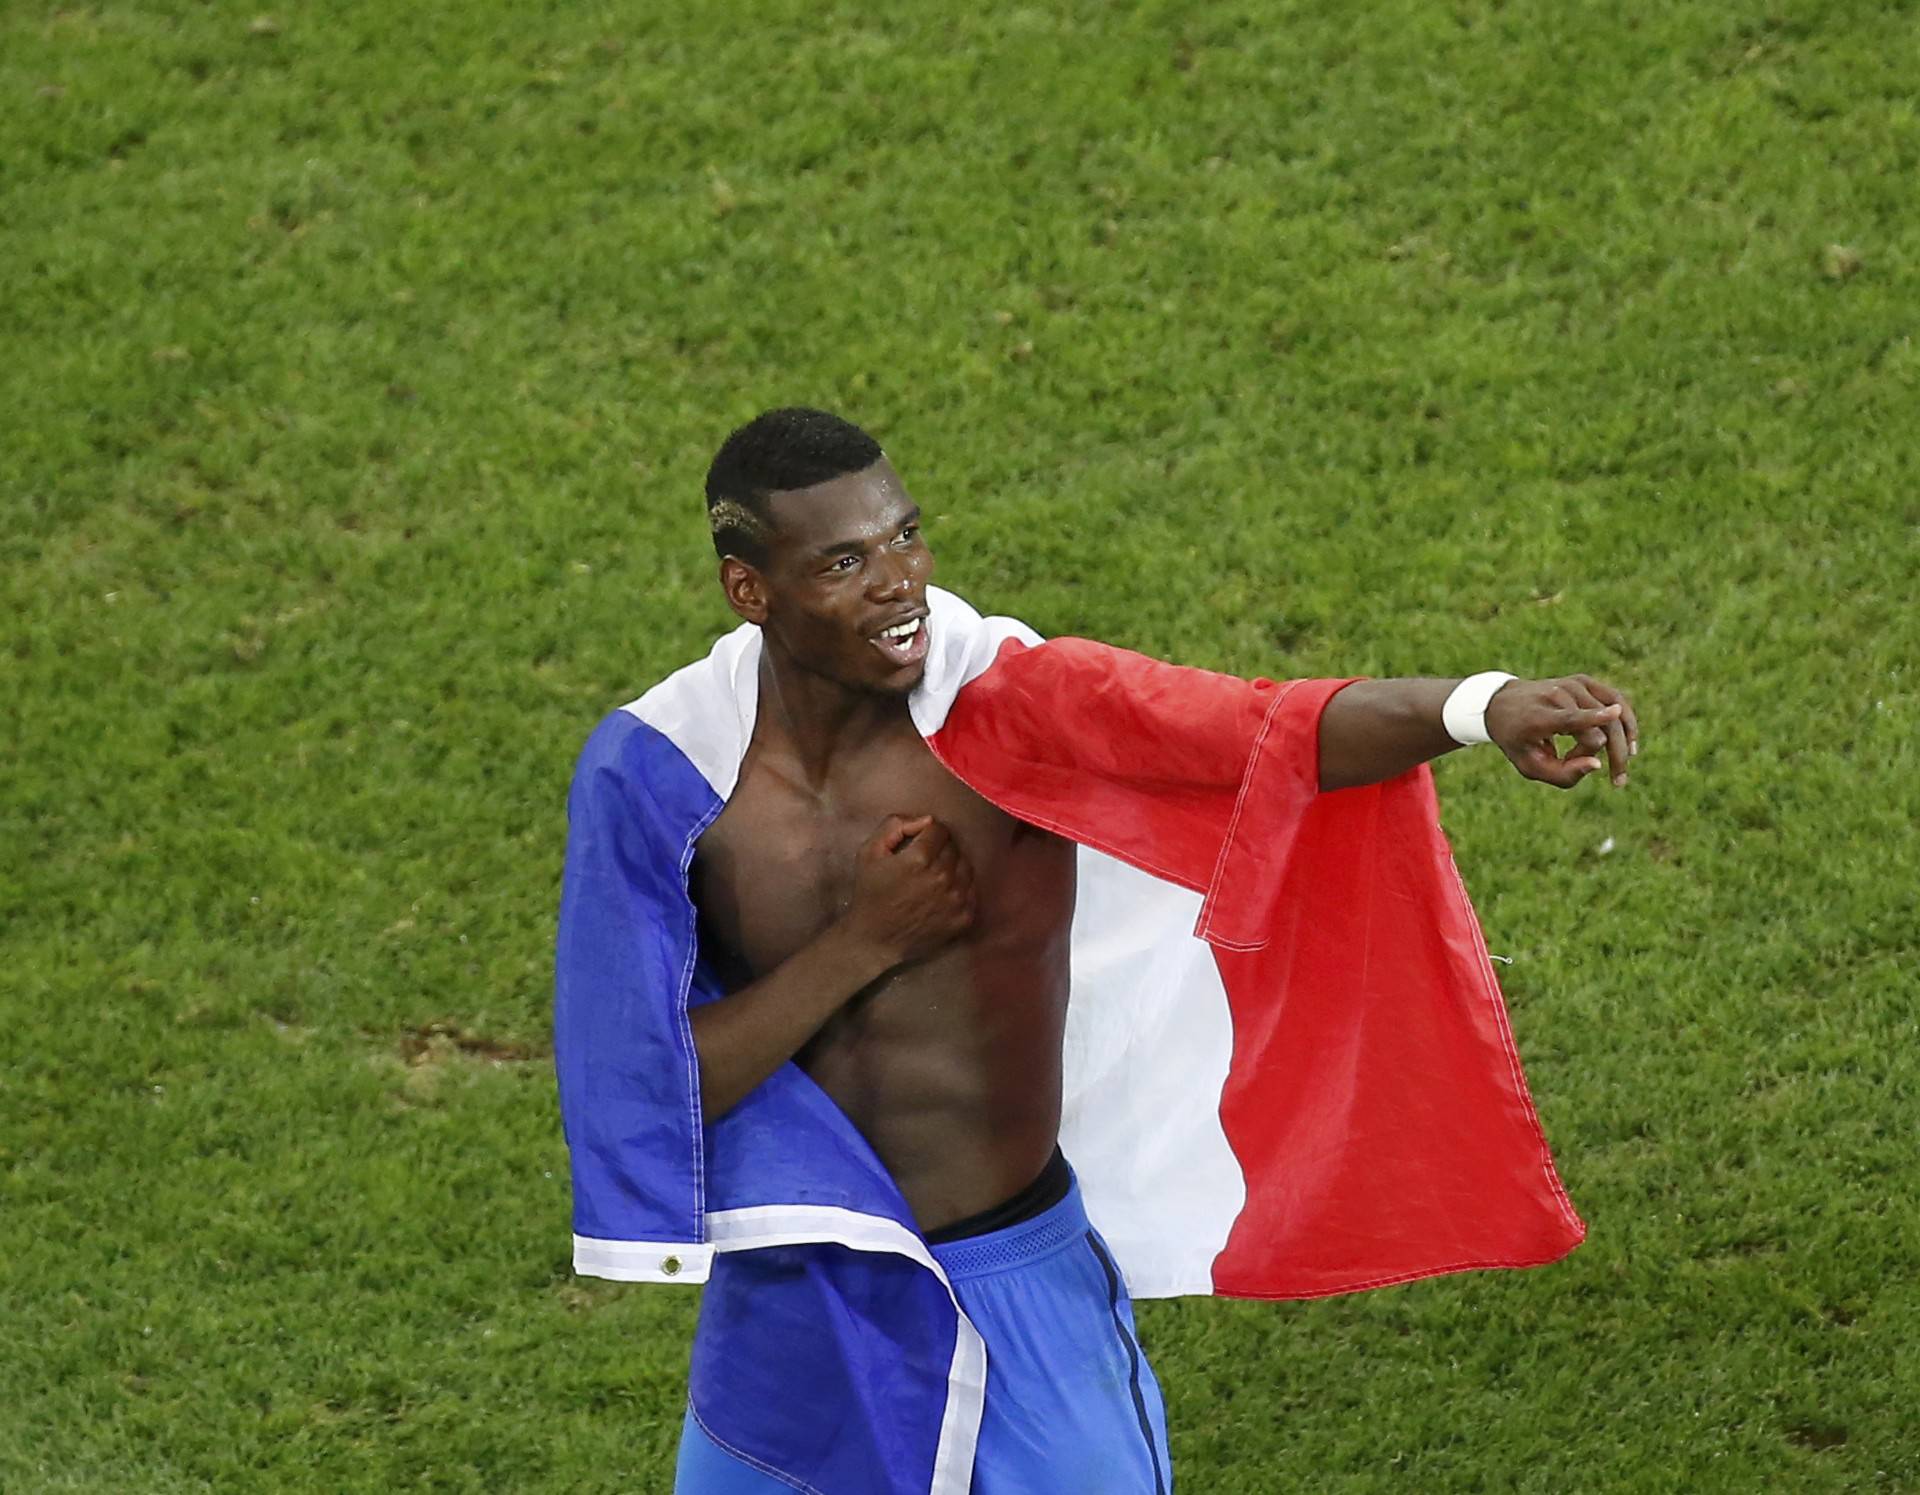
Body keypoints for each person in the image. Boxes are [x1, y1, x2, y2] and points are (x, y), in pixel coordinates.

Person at [553, 408, 1639, 1494]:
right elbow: (653, 1093)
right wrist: (866, 941)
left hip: (1018, 1273)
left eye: (906, 537)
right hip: (798, 1292)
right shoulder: (662, 777)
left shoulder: (1010, 704)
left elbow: (1252, 731)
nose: (901, 581)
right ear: (752, 591)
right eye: (845, 561)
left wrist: (1477, 706)